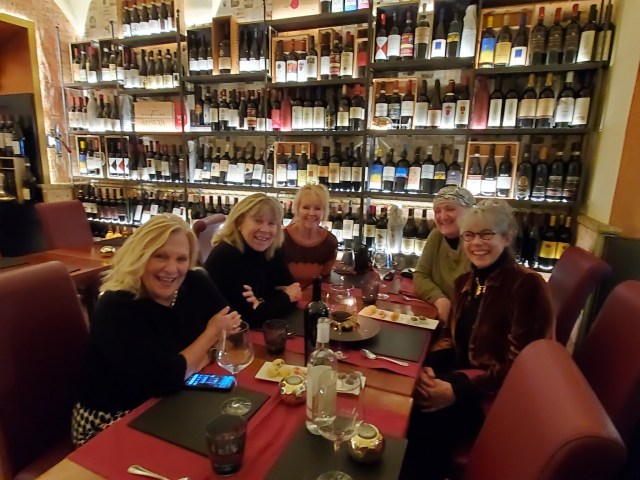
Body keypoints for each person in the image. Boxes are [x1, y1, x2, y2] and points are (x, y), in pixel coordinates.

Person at [401, 200, 554, 480]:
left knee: (421, 419)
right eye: (469, 235)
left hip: (498, 400)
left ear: (507, 237)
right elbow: (449, 339)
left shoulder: (526, 286)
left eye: (486, 234)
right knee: (409, 398)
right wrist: (429, 368)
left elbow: (523, 369)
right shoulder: (465, 282)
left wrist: (457, 390)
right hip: (465, 380)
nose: (476, 243)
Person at [72, 214, 241, 447]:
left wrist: (189, 363)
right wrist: (210, 335)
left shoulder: (194, 280)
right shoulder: (116, 306)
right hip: (112, 417)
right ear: (140, 256)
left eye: (181, 259)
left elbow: (233, 329)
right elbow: (164, 380)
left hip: (170, 401)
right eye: (160, 256)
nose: (171, 268)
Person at [204, 193, 301, 328]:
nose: (265, 230)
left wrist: (264, 305)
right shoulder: (226, 255)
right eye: (258, 221)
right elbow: (249, 318)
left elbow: (295, 293)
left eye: (271, 223)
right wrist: (284, 298)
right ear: (239, 222)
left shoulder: (271, 250)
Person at [414, 186, 476, 321]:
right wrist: (440, 300)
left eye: (450, 209)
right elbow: (420, 275)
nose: (443, 216)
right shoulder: (436, 235)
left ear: (469, 211)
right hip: (442, 318)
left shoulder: (477, 242)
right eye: (437, 211)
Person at [282, 184, 338, 287]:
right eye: (306, 207)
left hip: (316, 296)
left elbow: (325, 281)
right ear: (297, 209)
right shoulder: (281, 238)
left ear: (324, 211)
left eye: (317, 208)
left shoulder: (330, 242)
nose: (311, 213)